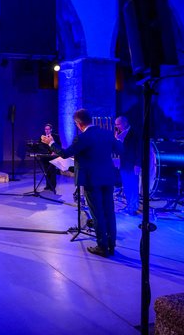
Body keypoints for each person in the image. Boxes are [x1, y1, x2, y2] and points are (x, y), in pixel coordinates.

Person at [41, 109, 123, 257]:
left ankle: (102, 247)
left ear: (78, 124)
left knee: (97, 213)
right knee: (109, 212)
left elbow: (65, 153)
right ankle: (111, 244)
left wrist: (51, 142)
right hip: (108, 178)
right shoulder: (107, 133)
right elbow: (120, 149)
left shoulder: (82, 138)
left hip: (92, 180)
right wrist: (116, 139)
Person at [114, 116, 142, 215]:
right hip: (124, 164)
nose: (117, 127)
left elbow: (139, 149)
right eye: (116, 125)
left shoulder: (135, 133)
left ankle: (133, 207)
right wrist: (117, 140)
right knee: (126, 186)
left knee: (133, 186)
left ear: (125, 123)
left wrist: (138, 164)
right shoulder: (120, 134)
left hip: (132, 164)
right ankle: (129, 205)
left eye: (118, 124)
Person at [38, 123, 61, 193]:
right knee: (46, 172)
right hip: (45, 157)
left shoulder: (56, 136)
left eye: (48, 129)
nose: (46, 130)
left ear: (51, 130)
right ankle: (48, 185)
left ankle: (52, 186)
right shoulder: (42, 137)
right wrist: (46, 152)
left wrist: (55, 152)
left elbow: (59, 145)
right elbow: (40, 147)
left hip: (53, 156)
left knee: (52, 171)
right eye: (45, 129)